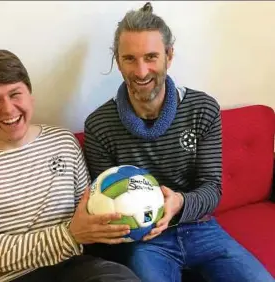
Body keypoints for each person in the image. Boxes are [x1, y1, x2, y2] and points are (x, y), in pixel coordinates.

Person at [83, 2, 274, 282]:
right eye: (129, 59)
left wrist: (179, 204)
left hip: (200, 228)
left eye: (151, 57)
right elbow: (104, 204)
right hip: (145, 240)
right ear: (117, 60)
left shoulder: (202, 109)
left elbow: (212, 188)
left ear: (169, 56)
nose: (141, 71)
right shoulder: (99, 125)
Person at [0, 49, 141, 282]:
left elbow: (88, 211)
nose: (8, 109)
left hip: (71, 266)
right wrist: (69, 235)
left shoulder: (63, 141)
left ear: (29, 95)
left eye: (15, 94)